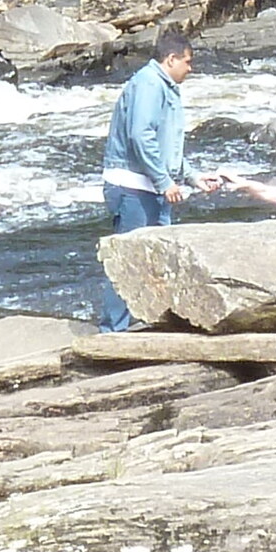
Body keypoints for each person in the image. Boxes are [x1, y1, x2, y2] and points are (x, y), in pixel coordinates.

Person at [94, 23, 214, 329]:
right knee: (127, 262)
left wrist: (191, 177)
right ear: (171, 60)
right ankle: (112, 332)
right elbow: (140, 135)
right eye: (188, 61)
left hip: (151, 188)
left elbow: (165, 145)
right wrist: (164, 182)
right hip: (133, 188)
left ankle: (153, 323)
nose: (191, 68)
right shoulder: (148, 85)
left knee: (159, 260)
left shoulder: (163, 87)